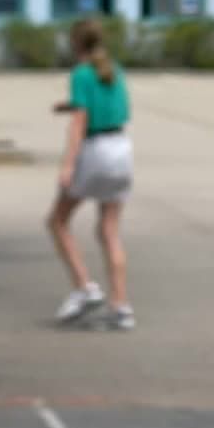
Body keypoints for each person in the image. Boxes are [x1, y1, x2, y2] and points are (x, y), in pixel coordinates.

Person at [46, 18, 135, 330]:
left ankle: (85, 287)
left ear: (75, 43)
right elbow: (107, 106)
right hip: (121, 148)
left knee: (57, 221)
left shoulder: (80, 74)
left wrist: (68, 164)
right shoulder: (114, 69)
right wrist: (69, 105)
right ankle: (120, 306)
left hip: (95, 150)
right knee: (109, 230)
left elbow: (80, 122)